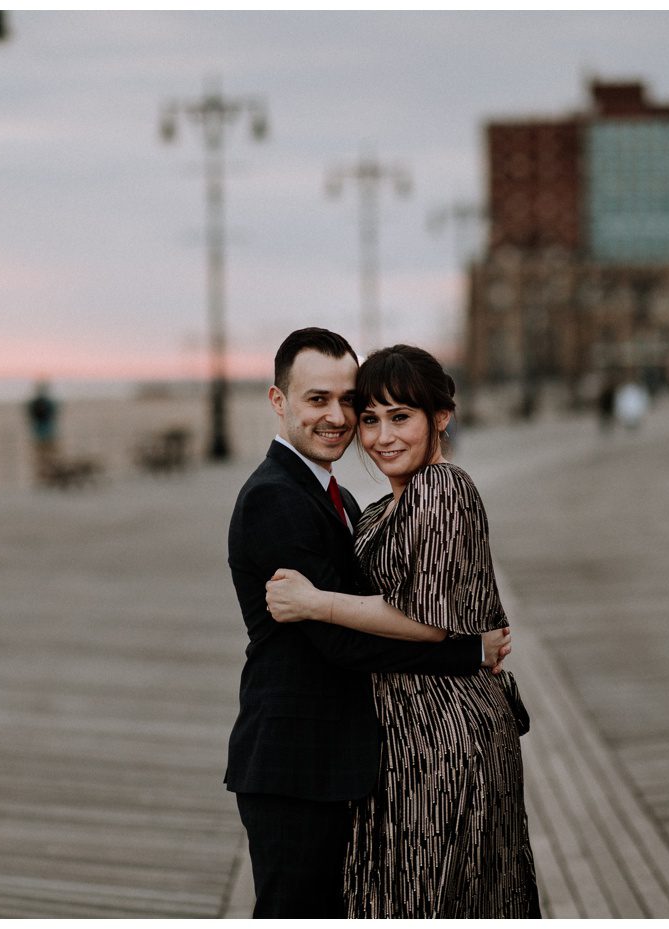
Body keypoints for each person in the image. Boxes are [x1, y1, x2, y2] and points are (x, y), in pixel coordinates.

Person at [225, 327, 510, 917]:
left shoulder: (346, 498)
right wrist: (465, 651)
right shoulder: (274, 498)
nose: (338, 417)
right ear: (279, 402)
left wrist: (464, 643)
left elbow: (405, 607)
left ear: (439, 418)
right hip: (297, 763)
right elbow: (340, 644)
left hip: (353, 758)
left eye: (346, 401)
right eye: (316, 399)